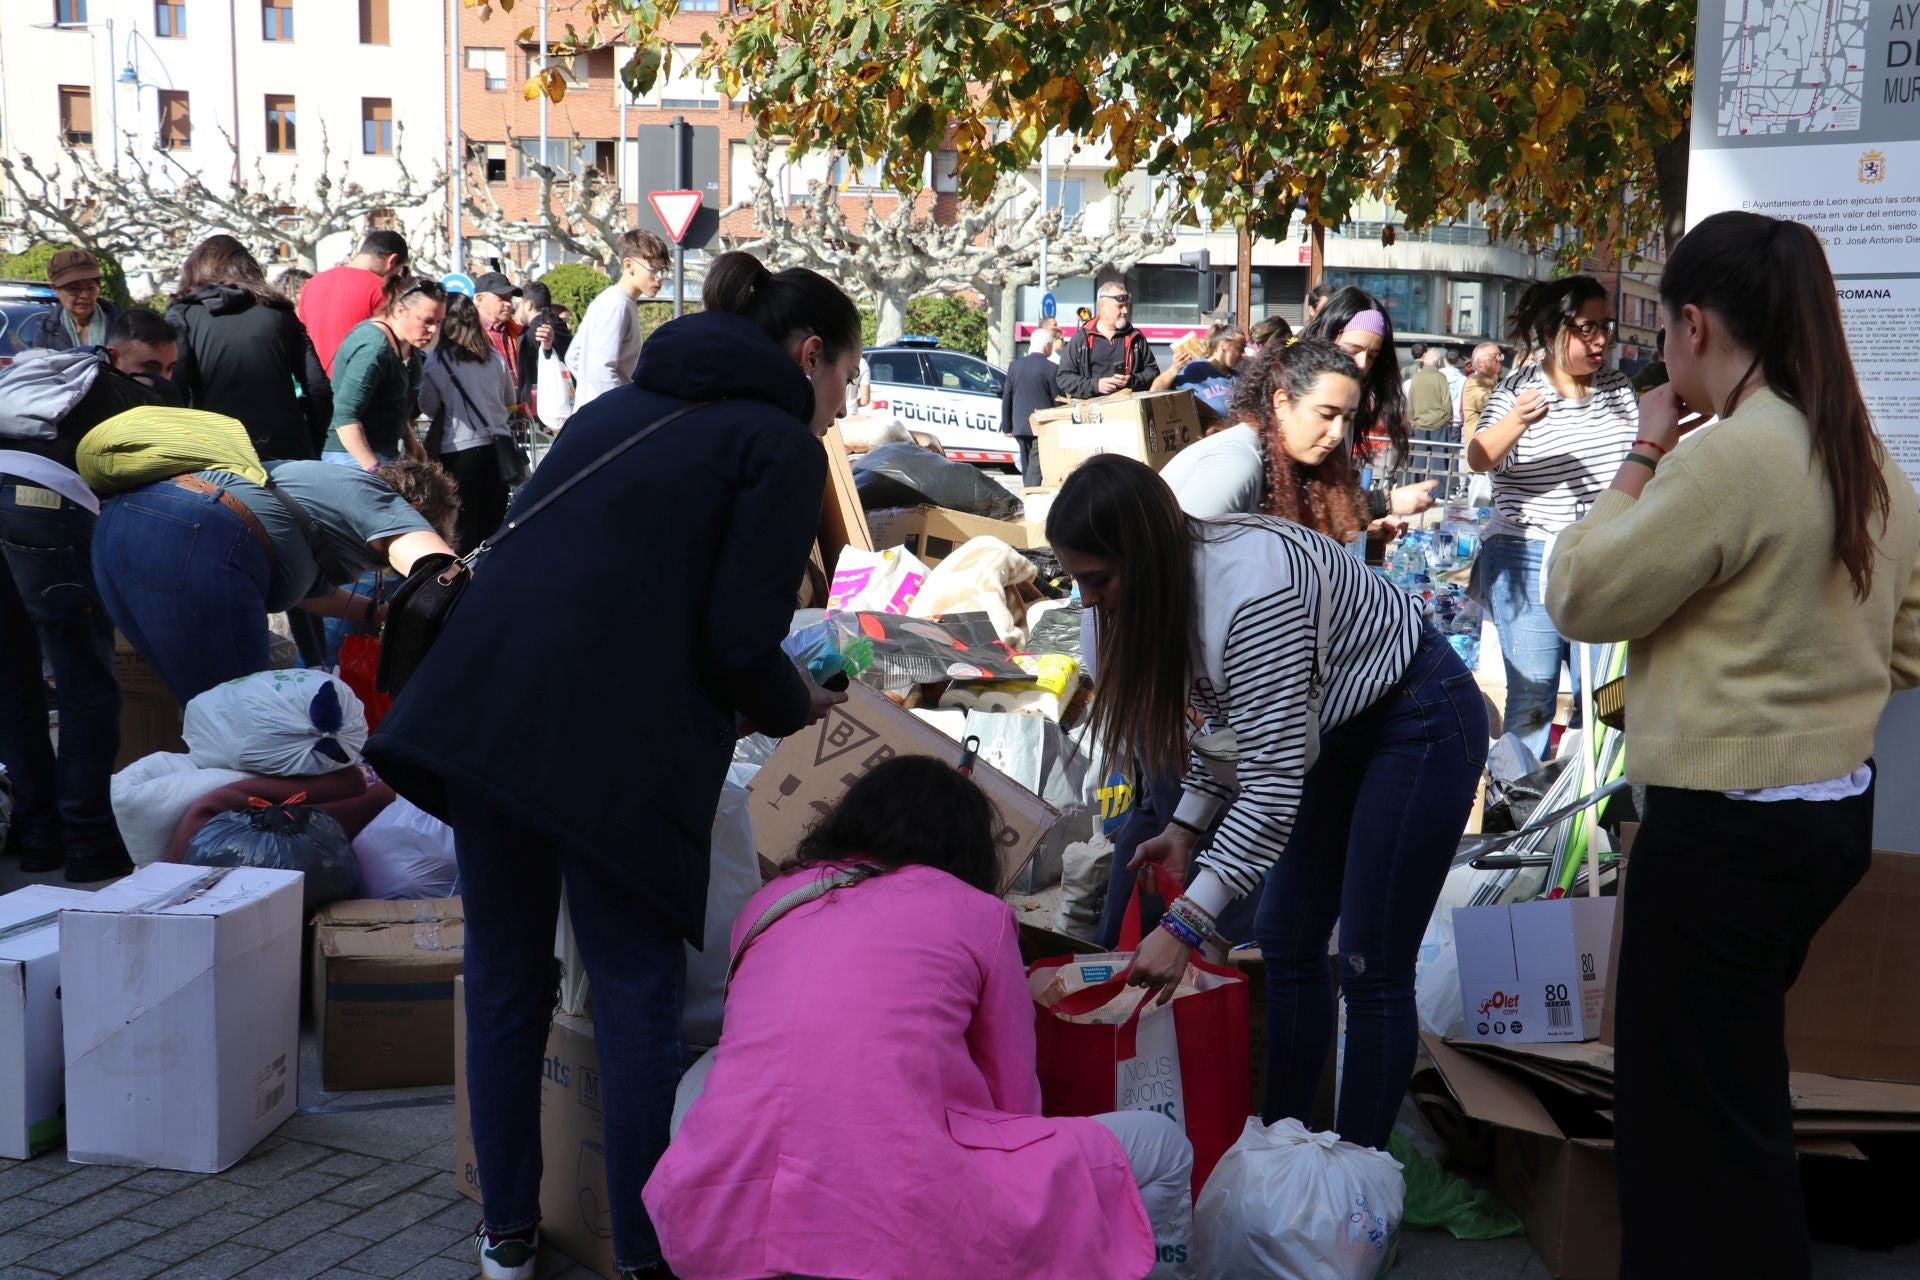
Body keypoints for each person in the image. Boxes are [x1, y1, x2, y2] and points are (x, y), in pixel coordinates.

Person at [364, 251, 865, 1280]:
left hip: (490, 716)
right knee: (636, 989)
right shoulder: (777, 445)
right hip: (614, 743)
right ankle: (642, 1249)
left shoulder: (613, 409)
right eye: (846, 378)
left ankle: (506, 1231)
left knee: (507, 975)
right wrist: (796, 704)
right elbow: (738, 639)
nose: (842, 403)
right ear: (811, 355)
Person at [1546, 211, 1920, 1280]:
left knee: (1691, 1125)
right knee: (1735, 1085)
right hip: (1829, 815)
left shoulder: (1731, 457)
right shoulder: (1862, 453)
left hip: (1723, 832)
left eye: (1665, 328)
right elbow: (1911, 634)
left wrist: (1645, 445)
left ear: (1696, 325)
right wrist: (1816, 685)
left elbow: (1580, 589)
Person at [1049, 455, 1486, 1154]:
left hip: (1416, 719)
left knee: (1372, 964)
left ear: (1146, 553)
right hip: (1331, 731)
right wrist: (1186, 826)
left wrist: (1186, 924)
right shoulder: (1155, 595)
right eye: (1077, 581)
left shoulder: (1252, 594)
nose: (1089, 600)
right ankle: (1282, 1155)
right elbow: (1220, 727)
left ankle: (1353, 1188)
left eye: (1098, 580)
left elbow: (1274, 785)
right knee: (1286, 940)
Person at [644, 756, 1190, 1280]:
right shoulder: (981, 915)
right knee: (1164, 1149)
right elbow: (1013, 1098)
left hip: (714, 1215)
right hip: (899, 1221)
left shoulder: (768, 903)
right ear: (965, 844)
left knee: (710, 1068)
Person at [1098, 341, 1415, 950]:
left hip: (1190, 694)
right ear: (1279, 401)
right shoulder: (1236, 468)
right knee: (1194, 866)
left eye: (1348, 418)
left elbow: (1258, 761)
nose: (1337, 433)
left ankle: (1158, 979)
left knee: (1194, 859)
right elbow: (1170, 579)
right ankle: (1138, 976)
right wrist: (1188, 920)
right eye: (1326, 414)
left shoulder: (1261, 482)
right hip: (1169, 691)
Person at [82, 406, 457, 703]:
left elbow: (314, 594)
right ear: (416, 509)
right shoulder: (377, 496)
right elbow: (439, 572)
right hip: (194, 529)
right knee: (243, 720)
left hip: (117, 530)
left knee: (206, 714)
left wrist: (383, 612)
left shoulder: (324, 502)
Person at [0, 310, 178, 883]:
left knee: (13, 680)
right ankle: (88, 841)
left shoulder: (54, 379)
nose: (161, 376)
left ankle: (36, 834)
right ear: (115, 353)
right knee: (86, 687)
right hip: (47, 512)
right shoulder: (129, 397)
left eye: (169, 366)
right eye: (151, 363)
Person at [1466, 276, 1636, 759]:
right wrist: (1518, 420)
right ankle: (1524, 820)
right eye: (1587, 328)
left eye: (1606, 326)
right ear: (1550, 331)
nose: (1601, 339)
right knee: (1534, 704)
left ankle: (1586, 823)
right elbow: (1479, 457)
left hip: (1600, 559)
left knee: (1605, 702)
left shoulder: (1617, 389)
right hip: (1526, 554)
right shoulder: (1518, 391)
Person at [166, 234, 331, 462]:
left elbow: (175, 393)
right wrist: (311, 446)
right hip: (288, 451)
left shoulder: (184, 315)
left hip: (219, 455)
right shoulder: (279, 313)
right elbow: (319, 388)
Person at [1301, 287, 1435, 522]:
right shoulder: (1300, 398)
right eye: (1352, 350)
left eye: (1372, 355)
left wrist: (1366, 526)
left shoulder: (1357, 403)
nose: (1362, 364)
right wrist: (1383, 502)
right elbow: (1301, 502)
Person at [421, 293, 517, 551]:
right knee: (492, 522)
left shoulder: (438, 359)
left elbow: (427, 406)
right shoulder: (493, 355)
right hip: (498, 449)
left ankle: (467, 581)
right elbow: (509, 397)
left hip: (459, 449)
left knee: (462, 525)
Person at [324, 278, 445, 470]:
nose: (433, 330)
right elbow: (345, 416)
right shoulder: (373, 346)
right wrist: (375, 471)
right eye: (427, 321)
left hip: (385, 454)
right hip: (350, 458)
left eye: (439, 322)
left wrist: (410, 439)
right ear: (399, 311)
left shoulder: (409, 346)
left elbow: (394, 402)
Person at [568, 229, 670, 410]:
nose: (659, 278)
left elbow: (573, 356)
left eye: (663, 270)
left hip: (593, 415)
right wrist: (624, 409)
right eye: (653, 269)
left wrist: (588, 391)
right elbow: (601, 370)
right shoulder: (617, 305)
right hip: (605, 420)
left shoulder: (610, 300)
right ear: (629, 265)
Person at [299, 230, 410, 376]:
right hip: (359, 386)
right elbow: (394, 347)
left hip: (317, 385)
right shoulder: (380, 289)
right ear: (392, 261)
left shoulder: (312, 283)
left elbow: (302, 336)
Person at [1057, 280, 1161, 398]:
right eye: (1120, 306)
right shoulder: (1081, 338)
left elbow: (1153, 372)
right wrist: (1096, 385)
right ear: (1102, 306)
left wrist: (1131, 381)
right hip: (1092, 413)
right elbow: (1063, 378)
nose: (1125, 311)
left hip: (1127, 412)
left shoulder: (1136, 338)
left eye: (1126, 306)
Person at [18, 248, 121, 351]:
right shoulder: (48, 330)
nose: (85, 295)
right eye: (74, 289)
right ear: (55, 290)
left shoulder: (120, 324)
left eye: (91, 288)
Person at [1000, 327, 1060, 486]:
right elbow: (1057, 400)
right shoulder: (1052, 368)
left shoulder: (1015, 366)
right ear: (1047, 345)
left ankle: (1028, 493)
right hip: (1042, 426)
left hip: (1020, 425)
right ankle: (1029, 495)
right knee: (1036, 465)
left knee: (1027, 465)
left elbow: (1007, 396)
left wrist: (1007, 426)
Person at [1156, 324, 1248, 417]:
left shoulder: (1238, 377)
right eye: (1240, 348)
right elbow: (1155, 390)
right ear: (1223, 345)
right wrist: (1174, 368)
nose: (1243, 354)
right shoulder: (1193, 368)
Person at [514, 281, 572, 418]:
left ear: (528, 305)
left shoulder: (532, 334)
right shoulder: (563, 328)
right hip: (568, 403)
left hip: (540, 410)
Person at [471, 272, 524, 406]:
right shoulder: (468, 334)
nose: (508, 304)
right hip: (485, 413)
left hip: (513, 412)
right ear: (479, 299)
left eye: (510, 299)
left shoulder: (515, 330)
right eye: (501, 298)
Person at [1460, 342, 1502, 432]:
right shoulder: (1473, 383)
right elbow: (1491, 404)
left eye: (1500, 355)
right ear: (1480, 363)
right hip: (1482, 443)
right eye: (1494, 356)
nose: (1499, 359)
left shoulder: (1500, 382)